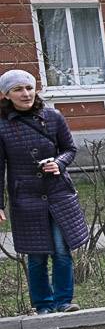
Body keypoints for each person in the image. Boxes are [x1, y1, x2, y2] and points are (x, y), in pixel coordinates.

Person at [0, 69, 87, 315]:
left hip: (58, 193)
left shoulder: (53, 116)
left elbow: (70, 149)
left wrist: (58, 163)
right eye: (18, 89)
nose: (25, 94)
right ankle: (43, 305)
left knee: (61, 250)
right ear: (7, 95)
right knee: (36, 254)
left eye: (28, 88)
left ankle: (64, 301)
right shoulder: (2, 126)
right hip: (26, 198)